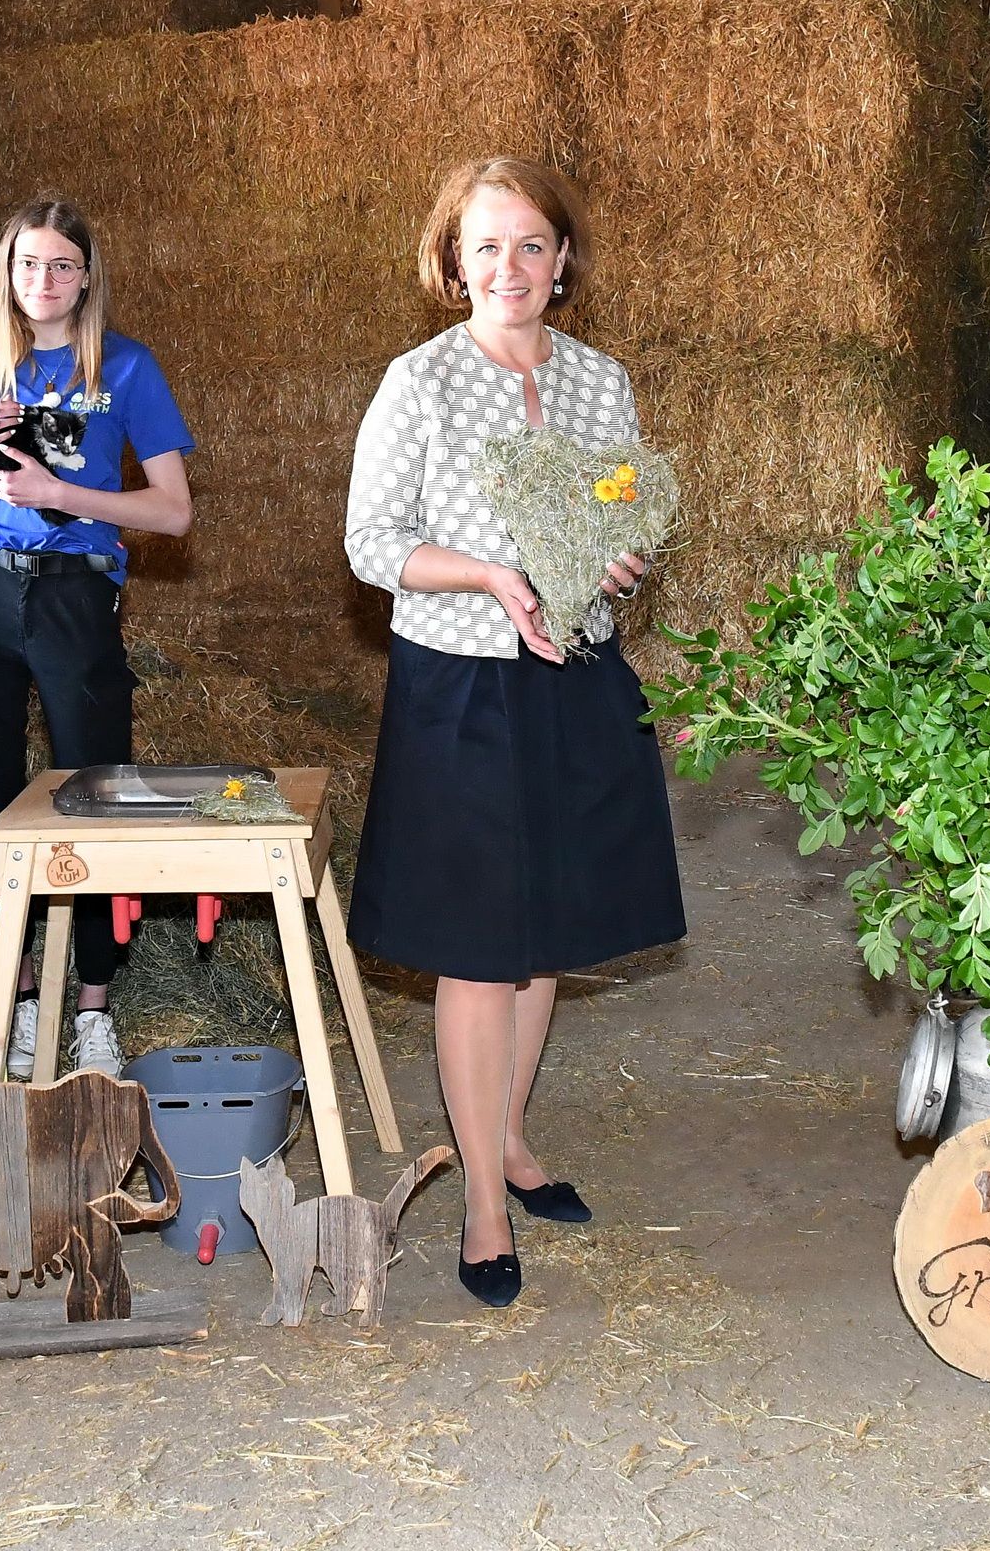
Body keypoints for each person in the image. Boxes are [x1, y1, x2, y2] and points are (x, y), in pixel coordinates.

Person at [343, 156, 688, 1309]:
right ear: (452, 264)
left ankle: (512, 1137)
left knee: (546, 936)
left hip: (574, 674)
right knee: (480, 950)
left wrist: (620, 561)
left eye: (532, 244)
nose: (511, 266)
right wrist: (488, 573)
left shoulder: (602, 382)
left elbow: (612, 521)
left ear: (563, 262)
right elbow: (370, 541)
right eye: (486, 246)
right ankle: (486, 1202)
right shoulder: (421, 382)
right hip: (464, 685)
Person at [0, 200, 194, 1081]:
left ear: (88, 276)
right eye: (28, 265)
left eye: (62, 267)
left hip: (75, 592)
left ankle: (93, 1006)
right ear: (6, 274)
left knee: (93, 790)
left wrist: (63, 496)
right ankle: (19, 990)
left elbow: (173, 510)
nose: (44, 282)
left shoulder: (124, 366)